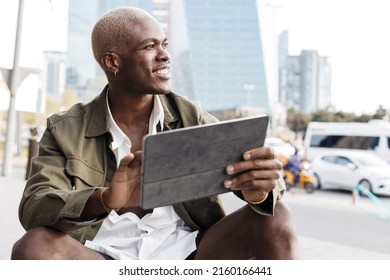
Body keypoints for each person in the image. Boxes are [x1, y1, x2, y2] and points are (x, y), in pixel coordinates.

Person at [11, 7, 299, 260]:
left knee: (276, 216)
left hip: (189, 253)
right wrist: (106, 198)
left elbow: (261, 183)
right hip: (102, 256)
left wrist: (259, 191)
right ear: (112, 62)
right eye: (150, 47)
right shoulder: (64, 128)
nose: (165, 56)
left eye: (164, 44)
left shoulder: (191, 117)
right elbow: (34, 207)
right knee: (33, 246)